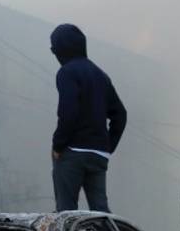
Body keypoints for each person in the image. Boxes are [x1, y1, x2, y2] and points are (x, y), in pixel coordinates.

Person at [50, 24, 127, 213]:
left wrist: (58, 145)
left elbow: (68, 112)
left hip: (73, 153)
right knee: (101, 212)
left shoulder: (67, 72)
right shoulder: (101, 75)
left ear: (59, 49)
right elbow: (121, 114)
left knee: (66, 213)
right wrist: (107, 147)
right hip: (98, 155)